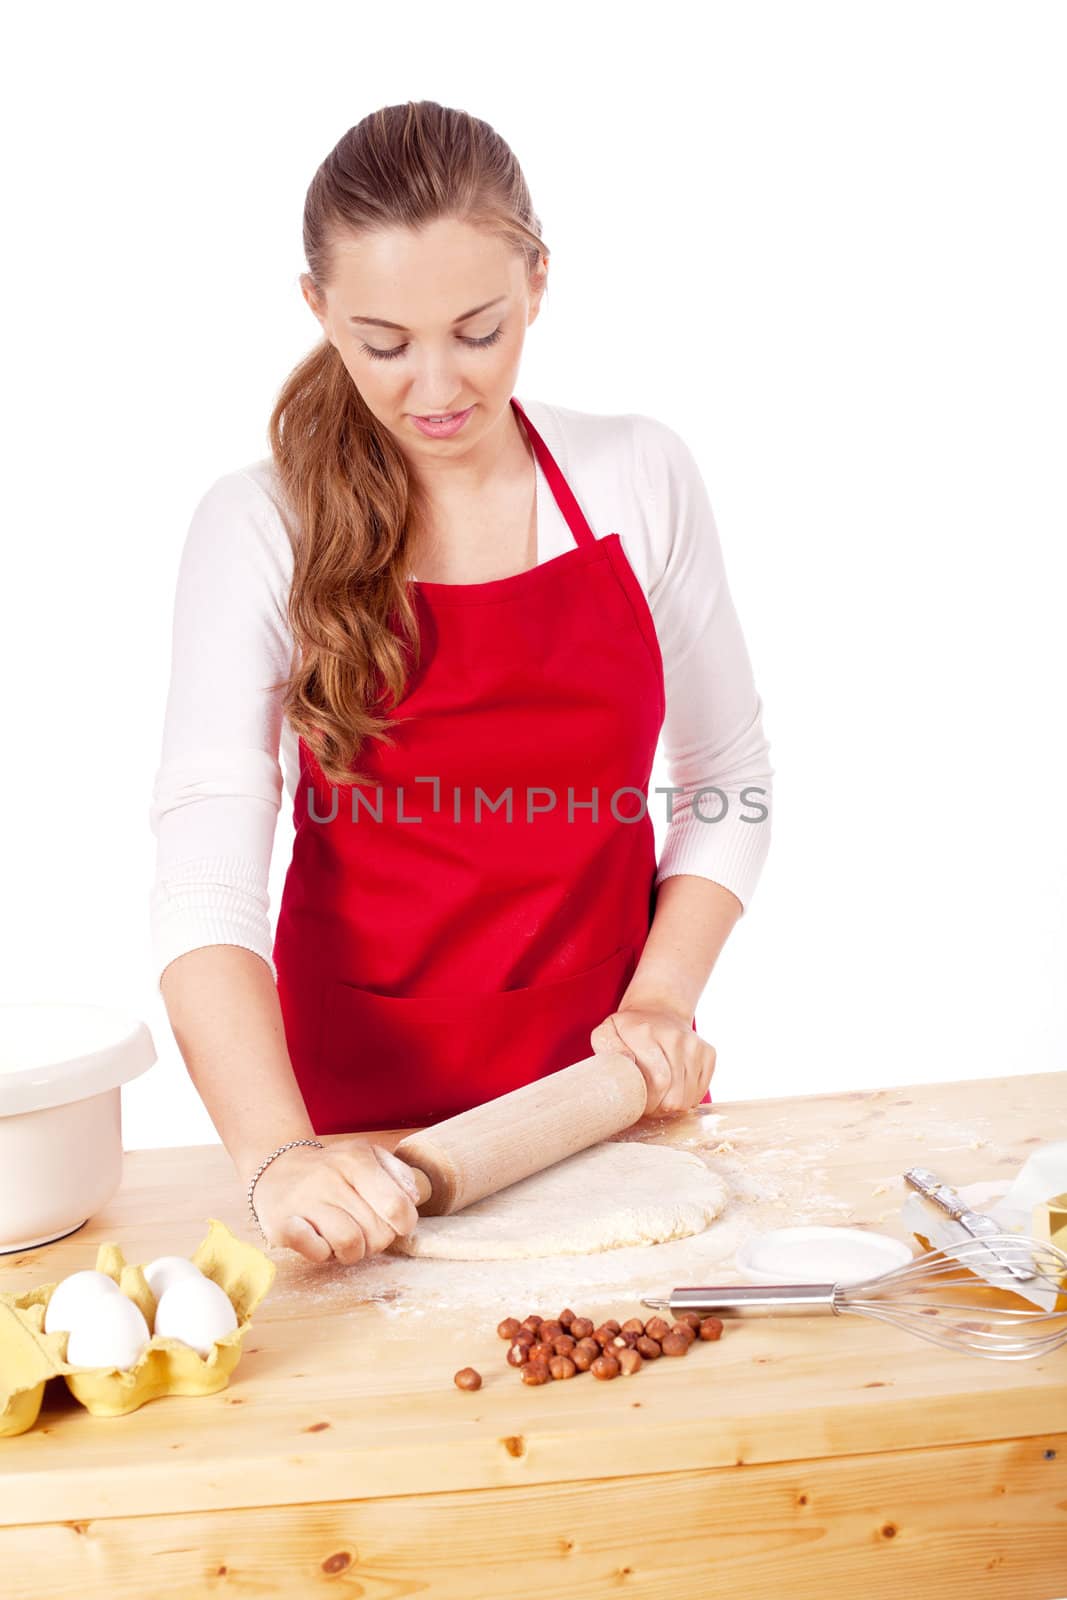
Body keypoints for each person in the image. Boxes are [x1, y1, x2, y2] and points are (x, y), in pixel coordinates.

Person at [149, 100, 774, 1268]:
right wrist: (278, 1156)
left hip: (599, 1102)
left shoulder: (636, 474)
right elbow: (204, 869)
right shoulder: (257, 525)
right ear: (316, 310)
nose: (433, 384)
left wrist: (658, 1005)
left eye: (475, 329)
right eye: (382, 342)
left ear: (537, 283)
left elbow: (727, 777)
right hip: (353, 1138)